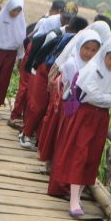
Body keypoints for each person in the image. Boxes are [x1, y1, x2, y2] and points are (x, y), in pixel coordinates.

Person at [48, 35, 111, 217]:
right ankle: (74, 200)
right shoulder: (93, 68)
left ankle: (79, 195)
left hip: (101, 117)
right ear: (104, 54)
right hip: (85, 115)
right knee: (80, 153)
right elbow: (91, 95)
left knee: (92, 155)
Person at [19, 15, 87, 148]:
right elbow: (42, 53)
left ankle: (38, 138)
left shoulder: (77, 42)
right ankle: (25, 134)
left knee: (47, 108)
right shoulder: (61, 37)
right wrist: (33, 69)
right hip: (44, 71)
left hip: (54, 76)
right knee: (38, 105)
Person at [36, 29, 102, 165]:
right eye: (86, 48)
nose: (89, 53)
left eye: (94, 50)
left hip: (81, 108)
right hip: (69, 106)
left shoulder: (96, 66)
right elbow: (76, 87)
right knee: (62, 136)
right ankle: (55, 164)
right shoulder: (71, 64)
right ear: (79, 47)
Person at [10, 0, 76, 130]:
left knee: (36, 92)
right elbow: (36, 41)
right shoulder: (51, 22)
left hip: (47, 58)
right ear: (60, 13)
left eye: (70, 19)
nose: (66, 21)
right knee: (26, 85)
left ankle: (28, 121)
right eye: (65, 17)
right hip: (35, 51)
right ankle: (15, 116)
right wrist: (32, 64)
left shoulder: (71, 29)